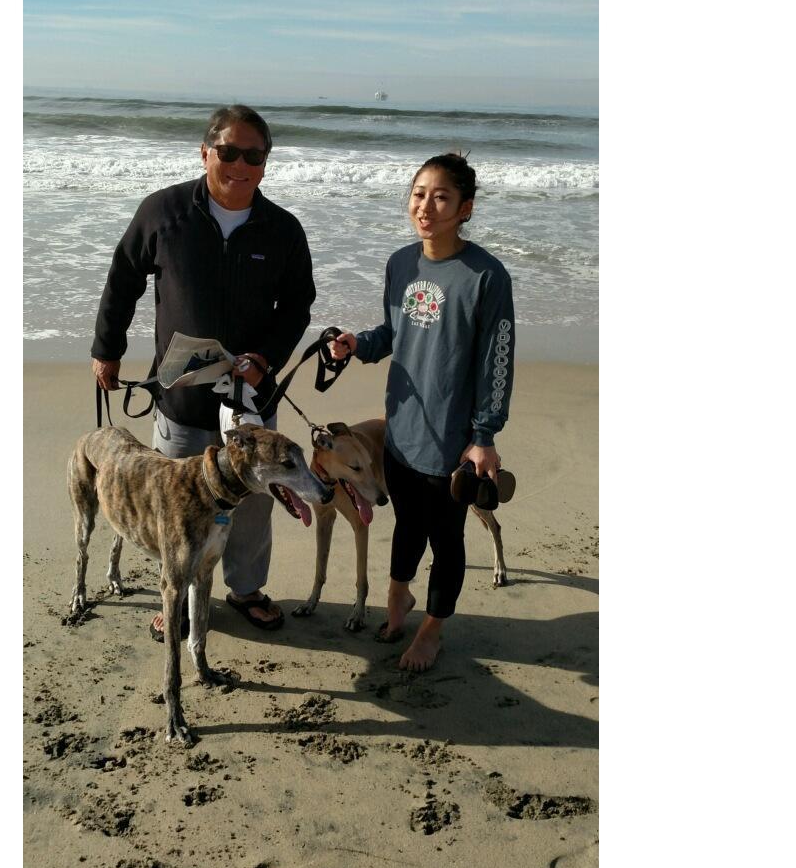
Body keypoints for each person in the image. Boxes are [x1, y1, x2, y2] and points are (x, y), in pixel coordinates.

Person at [91, 105, 316, 638]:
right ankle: (177, 592)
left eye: (254, 155)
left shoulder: (282, 229)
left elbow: (299, 305)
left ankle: (245, 589)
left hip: (250, 400)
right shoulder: (164, 212)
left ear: (266, 162)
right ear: (205, 152)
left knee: (257, 498)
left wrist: (267, 359)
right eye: (229, 152)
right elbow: (124, 278)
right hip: (182, 396)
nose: (241, 164)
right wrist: (107, 348)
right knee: (174, 502)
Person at [329, 152, 514, 671]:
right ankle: (398, 598)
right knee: (407, 523)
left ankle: (432, 629)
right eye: (418, 193)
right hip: (402, 427)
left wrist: (485, 434)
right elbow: (393, 332)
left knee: (445, 537)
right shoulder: (400, 263)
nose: (425, 206)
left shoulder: (486, 276)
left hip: (454, 436)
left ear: (465, 208)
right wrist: (356, 344)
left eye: (440, 197)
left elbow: (496, 361)